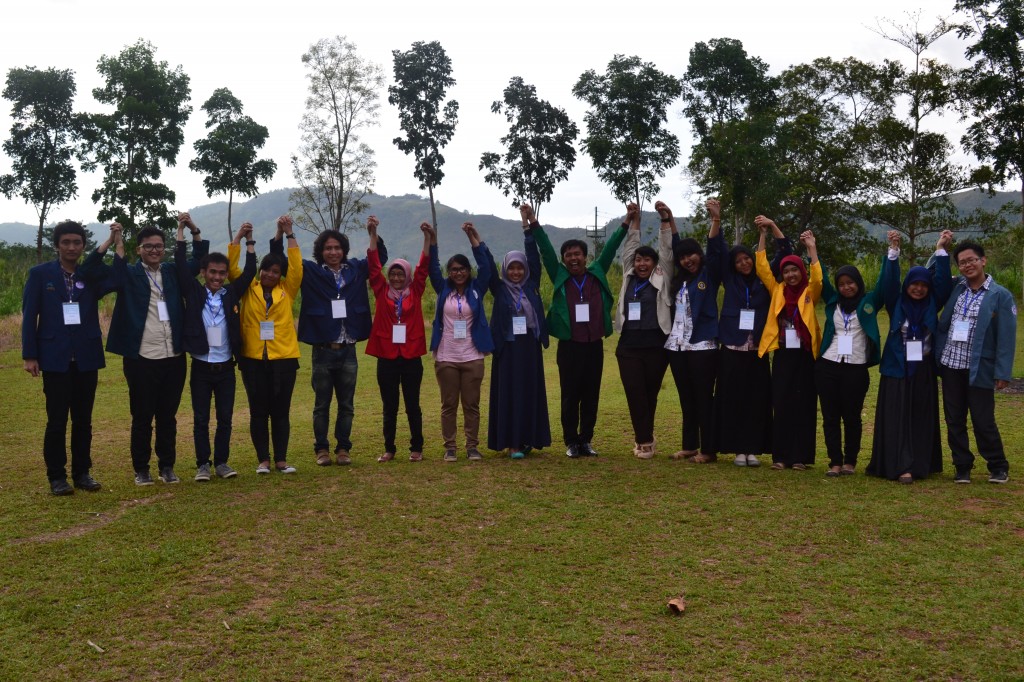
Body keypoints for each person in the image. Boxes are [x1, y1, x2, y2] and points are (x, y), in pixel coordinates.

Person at [80, 213, 207, 485]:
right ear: (139, 249)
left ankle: (167, 466)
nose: (154, 251)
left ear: (165, 248)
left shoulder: (173, 271)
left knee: (168, 416)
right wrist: (112, 242)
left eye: (159, 246)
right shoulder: (127, 273)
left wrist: (193, 229)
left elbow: (199, 260)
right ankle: (142, 468)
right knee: (141, 416)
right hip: (141, 356)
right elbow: (89, 270)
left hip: (173, 355)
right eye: (148, 246)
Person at [22, 221, 123, 495]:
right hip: (54, 358)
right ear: (57, 245)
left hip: (86, 357)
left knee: (83, 420)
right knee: (56, 420)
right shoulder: (40, 275)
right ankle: (57, 477)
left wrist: (116, 243)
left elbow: (117, 278)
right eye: (65, 242)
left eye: (76, 242)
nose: (71, 247)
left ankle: (82, 473)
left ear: (83, 246)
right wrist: (30, 355)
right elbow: (30, 316)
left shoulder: (89, 274)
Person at [530, 207, 627, 458]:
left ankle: (586, 441)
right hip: (570, 346)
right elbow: (547, 253)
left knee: (591, 395)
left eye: (578, 254)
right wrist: (533, 222)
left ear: (586, 257)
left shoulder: (596, 274)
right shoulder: (560, 276)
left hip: (594, 345)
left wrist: (626, 223)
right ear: (564, 260)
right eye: (568, 255)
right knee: (570, 395)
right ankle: (571, 442)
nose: (573, 258)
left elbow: (610, 249)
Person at [867, 231, 953, 483]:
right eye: (915, 284)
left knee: (920, 417)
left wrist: (941, 250)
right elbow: (889, 284)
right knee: (897, 418)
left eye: (924, 285)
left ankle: (918, 464)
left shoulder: (932, 303)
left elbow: (944, 284)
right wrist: (893, 252)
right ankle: (899, 465)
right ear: (908, 285)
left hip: (923, 370)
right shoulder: (896, 303)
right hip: (897, 369)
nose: (919, 288)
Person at [177, 221, 257, 482]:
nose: (217, 277)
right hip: (201, 366)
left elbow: (249, 271)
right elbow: (179, 265)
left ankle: (222, 462)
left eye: (221, 273)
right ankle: (203, 464)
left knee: (225, 419)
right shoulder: (194, 292)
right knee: (201, 419)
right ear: (203, 272)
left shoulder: (231, 293)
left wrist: (248, 240)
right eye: (212, 272)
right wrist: (183, 232)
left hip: (226, 368)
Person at [815, 232, 899, 477]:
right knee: (830, 417)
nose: (846, 287)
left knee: (852, 417)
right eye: (842, 284)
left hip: (856, 368)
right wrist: (812, 248)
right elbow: (821, 278)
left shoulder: (870, 301)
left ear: (858, 283)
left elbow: (885, 283)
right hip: (828, 365)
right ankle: (835, 462)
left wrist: (892, 251)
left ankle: (850, 461)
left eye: (850, 282)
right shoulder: (832, 300)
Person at [936, 240, 1017, 484]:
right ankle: (962, 466)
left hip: (979, 368)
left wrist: (1002, 372)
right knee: (954, 420)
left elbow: (1006, 336)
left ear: (983, 260)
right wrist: (941, 249)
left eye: (972, 260)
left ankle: (998, 465)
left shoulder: (1000, 295)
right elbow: (936, 275)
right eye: (962, 262)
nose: (968, 265)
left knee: (983, 420)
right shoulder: (957, 288)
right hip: (951, 364)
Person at [708, 205, 781, 468]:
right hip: (732, 346)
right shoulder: (729, 278)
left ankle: (753, 449)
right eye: (738, 261)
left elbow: (783, 253)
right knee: (733, 399)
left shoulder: (765, 279)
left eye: (746, 259)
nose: (744, 263)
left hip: (758, 349)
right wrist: (717, 218)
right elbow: (717, 248)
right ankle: (738, 448)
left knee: (757, 401)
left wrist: (769, 229)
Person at [231, 215, 303, 475]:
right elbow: (231, 269)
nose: (271, 274)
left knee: (281, 412)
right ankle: (263, 460)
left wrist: (289, 234)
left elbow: (296, 267)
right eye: (267, 270)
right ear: (260, 270)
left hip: (283, 359)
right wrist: (238, 239)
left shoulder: (287, 290)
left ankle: (281, 460)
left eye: (275, 271)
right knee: (258, 412)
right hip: (252, 360)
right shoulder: (249, 288)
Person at [481, 206, 552, 459]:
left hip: (530, 348)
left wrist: (527, 224)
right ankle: (511, 443)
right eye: (511, 268)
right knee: (510, 394)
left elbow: (534, 257)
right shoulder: (499, 289)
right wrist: (478, 242)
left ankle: (528, 438)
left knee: (529, 393)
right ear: (505, 270)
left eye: (519, 268)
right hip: (507, 349)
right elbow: (487, 266)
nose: (516, 272)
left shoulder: (531, 285)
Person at [755, 220, 823, 470]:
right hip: (783, 354)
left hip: (806, 355)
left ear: (801, 272)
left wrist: (811, 250)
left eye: (795, 270)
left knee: (804, 405)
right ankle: (781, 457)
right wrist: (764, 234)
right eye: (786, 272)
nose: (791, 275)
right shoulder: (777, 291)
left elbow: (818, 278)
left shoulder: (809, 292)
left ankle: (801, 457)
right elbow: (762, 268)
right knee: (781, 403)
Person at [366, 217, 430, 462]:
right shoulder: (381, 291)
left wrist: (427, 239)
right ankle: (389, 448)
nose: (395, 278)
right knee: (389, 406)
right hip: (387, 357)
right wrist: (373, 233)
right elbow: (373, 265)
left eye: (400, 273)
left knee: (413, 405)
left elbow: (423, 267)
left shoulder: (415, 290)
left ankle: (417, 448)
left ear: (407, 275)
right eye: (392, 273)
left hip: (411, 356)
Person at [428, 221, 493, 462]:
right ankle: (450, 447)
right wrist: (433, 240)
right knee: (448, 405)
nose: (458, 272)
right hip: (446, 356)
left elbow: (486, 266)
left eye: (462, 268)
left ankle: (472, 446)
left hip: (473, 356)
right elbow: (432, 268)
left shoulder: (477, 289)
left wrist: (473, 238)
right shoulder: (443, 288)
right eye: (454, 269)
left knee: (471, 405)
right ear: (449, 272)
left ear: (468, 271)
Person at [612, 202, 673, 459]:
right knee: (635, 392)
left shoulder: (662, 276)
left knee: (649, 394)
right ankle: (644, 440)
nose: (641, 263)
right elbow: (630, 245)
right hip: (628, 346)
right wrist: (633, 218)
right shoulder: (628, 276)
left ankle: (645, 435)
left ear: (654, 263)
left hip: (657, 345)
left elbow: (667, 251)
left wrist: (664, 219)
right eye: (639, 259)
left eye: (647, 259)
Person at [663, 200, 721, 463]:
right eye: (683, 258)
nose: (687, 260)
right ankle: (689, 446)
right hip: (677, 346)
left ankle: (708, 450)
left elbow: (716, 252)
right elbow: (676, 247)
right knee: (686, 398)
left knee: (703, 399)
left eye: (692, 255)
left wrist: (715, 221)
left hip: (703, 346)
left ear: (700, 254)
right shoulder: (680, 280)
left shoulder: (708, 275)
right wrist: (670, 218)